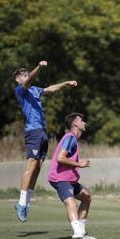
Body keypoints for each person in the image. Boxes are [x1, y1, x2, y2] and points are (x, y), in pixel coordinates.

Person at [14, 61, 78, 222]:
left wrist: (65, 83)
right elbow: (29, 81)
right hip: (33, 132)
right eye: (23, 74)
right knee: (31, 165)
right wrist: (40, 67)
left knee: (37, 167)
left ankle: (26, 204)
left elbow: (50, 89)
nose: (27, 75)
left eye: (27, 73)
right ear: (18, 79)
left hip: (42, 132)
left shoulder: (35, 89)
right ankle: (21, 203)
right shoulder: (20, 90)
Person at [48, 113, 95, 239]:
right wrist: (79, 164)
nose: (84, 123)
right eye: (81, 120)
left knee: (87, 197)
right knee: (72, 203)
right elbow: (61, 158)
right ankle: (78, 233)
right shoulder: (69, 137)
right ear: (75, 124)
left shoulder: (73, 139)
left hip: (69, 179)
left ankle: (81, 232)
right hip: (60, 178)